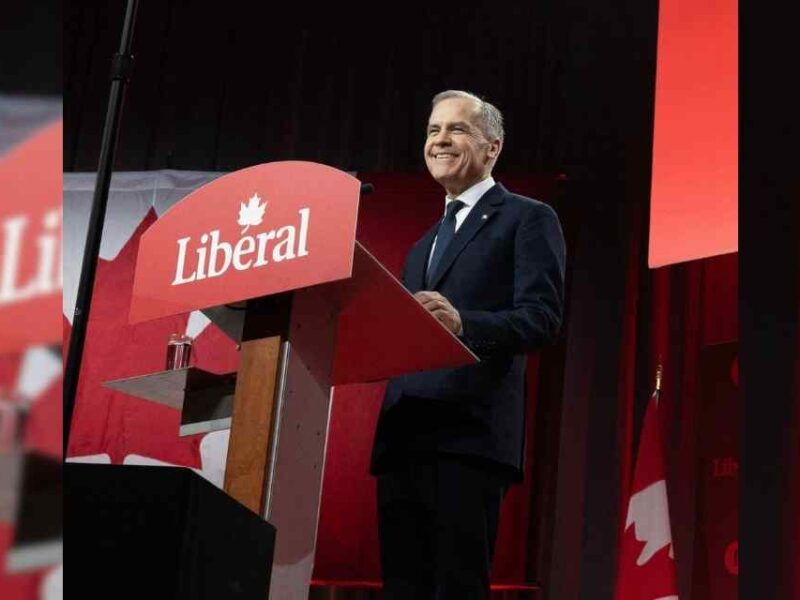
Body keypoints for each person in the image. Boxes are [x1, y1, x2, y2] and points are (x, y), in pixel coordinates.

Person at [370, 90, 567, 599]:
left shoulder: (528, 218)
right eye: (433, 130)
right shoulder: (421, 246)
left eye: (455, 129)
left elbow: (541, 319)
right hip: (403, 439)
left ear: (492, 147)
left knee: (456, 588)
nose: (440, 140)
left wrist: (464, 323)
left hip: (467, 437)